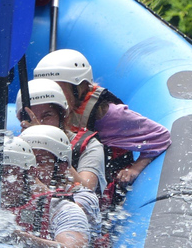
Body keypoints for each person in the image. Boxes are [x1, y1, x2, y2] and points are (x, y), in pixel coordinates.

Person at [32, 49, 171, 187]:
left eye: (58, 89)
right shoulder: (43, 113)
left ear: (78, 88)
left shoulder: (107, 115)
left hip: (97, 184)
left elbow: (161, 136)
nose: (51, 96)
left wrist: (135, 168)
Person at [18, 125, 101, 240]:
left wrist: (38, 186)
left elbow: (66, 211)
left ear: (61, 167)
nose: (32, 169)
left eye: (40, 162)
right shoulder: (15, 194)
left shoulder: (84, 196)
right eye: (26, 161)